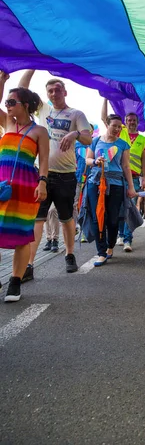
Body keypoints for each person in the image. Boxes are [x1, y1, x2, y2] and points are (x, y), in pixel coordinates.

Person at [18, 70, 92, 278]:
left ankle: (69, 255)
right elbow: (23, 91)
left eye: (57, 89)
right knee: (38, 220)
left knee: (66, 218)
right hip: (42, 175)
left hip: (66, 175)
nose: (53, 93)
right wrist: (32, 66)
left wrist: (75, 133)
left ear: (65, 92)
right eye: (49, 90)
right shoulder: (44, 110)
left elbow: (87, 139)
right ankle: (29, 265)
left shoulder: (77, 114)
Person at [0, 71, 49, 302]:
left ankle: (15, 282)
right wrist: (2, 81)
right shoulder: (8, 123)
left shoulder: (40, 131)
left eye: (11, 102)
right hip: (2, 185)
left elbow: (44, 163)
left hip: (25, 187)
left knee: (21, 235)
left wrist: (43, 184)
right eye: (6, 102)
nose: (7, 106)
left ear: (25, 105)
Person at [85, 114, 135, 266]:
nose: (117, 129)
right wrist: (95, 161)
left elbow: (126, 166)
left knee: (113, 219)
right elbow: (87, 160)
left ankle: (110, 246)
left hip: (116, 184)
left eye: (120, 127)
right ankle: (101, 252)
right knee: (97, 217)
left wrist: (131, 187)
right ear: (107, 124)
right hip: (95, 182)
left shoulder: (123, 144)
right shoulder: (95, 141)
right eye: (114, 126)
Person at [102, 101, 145, 252]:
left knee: (129, 208)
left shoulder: (143, 140)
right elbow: (105, 119)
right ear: (125, 122)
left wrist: (144, 178)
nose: (131, 123)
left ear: (138, 123)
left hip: (133, 178)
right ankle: (121, 235)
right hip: (117, 177)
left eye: (134, 121)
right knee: (119, 208)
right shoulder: (119, 133)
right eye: (128, 120)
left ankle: (128, 239)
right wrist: (106, 98)